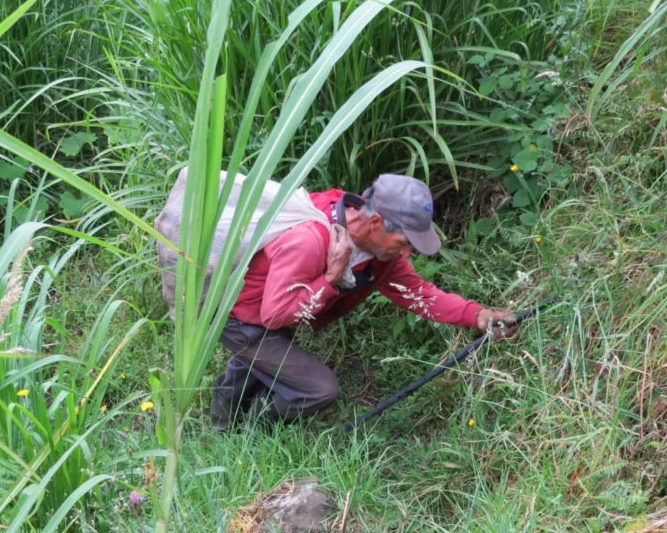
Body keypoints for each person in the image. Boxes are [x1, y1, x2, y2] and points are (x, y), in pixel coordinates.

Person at [210, 174, 520, 430]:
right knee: (318, 389)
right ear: (374, 223)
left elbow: (419, 293)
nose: (407, 254)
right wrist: (329, 279)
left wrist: (477, 315)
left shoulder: (377, 251)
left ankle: (223, 413)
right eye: (403, 243)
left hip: (275, 305)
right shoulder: (310, 241)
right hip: (239, 315)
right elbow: (276, 317)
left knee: (263, 358)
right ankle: (250, 433)